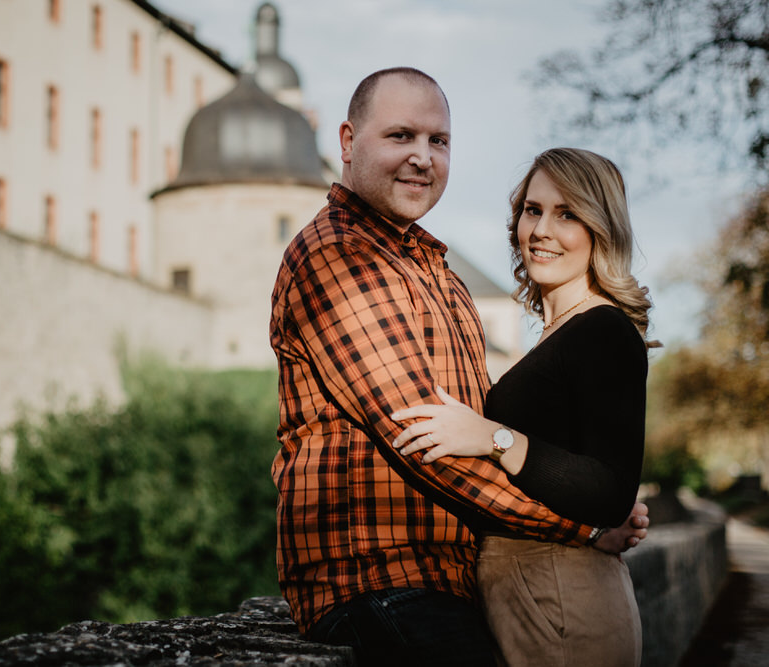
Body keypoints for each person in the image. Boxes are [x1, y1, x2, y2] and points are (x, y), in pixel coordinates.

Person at [269, 68, 648, 666]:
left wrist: (593, 492)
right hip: (379, 578)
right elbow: (427, 443)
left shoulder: (440, 276)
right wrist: (585, 528)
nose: (422, 157)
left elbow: (480, 431)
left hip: (457, 580)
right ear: (346, 142)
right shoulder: (338, 257)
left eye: (438, 141)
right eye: (400, 136)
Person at [391, 147, 654, 666]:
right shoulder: (557, 335)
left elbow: (611, 489)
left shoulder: (603, 329)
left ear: (601, 229)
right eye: (533, 210)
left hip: (564, 599)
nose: (541, 230)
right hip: (532, 591)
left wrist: (494, 438)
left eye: (567, 214)